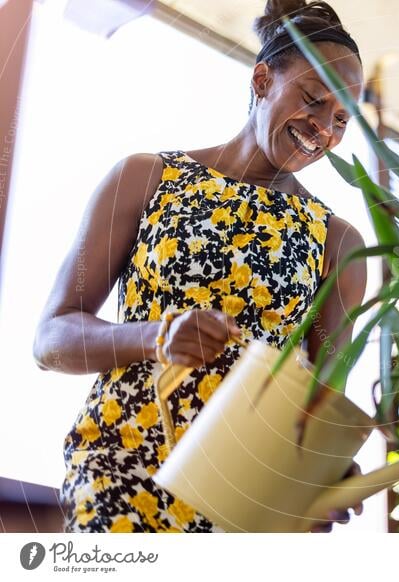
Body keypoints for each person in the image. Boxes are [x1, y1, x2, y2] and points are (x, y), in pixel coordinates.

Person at [32, 0, 367, 533]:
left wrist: (323, 473)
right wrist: (158, 337)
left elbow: (319, 410)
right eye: (312, 99)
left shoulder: (338, 243)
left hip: (242, 504)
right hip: (122, 471)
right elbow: (52, 340)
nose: (324, 128)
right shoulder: (145, 179)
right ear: (261, 81)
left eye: (342, 118)